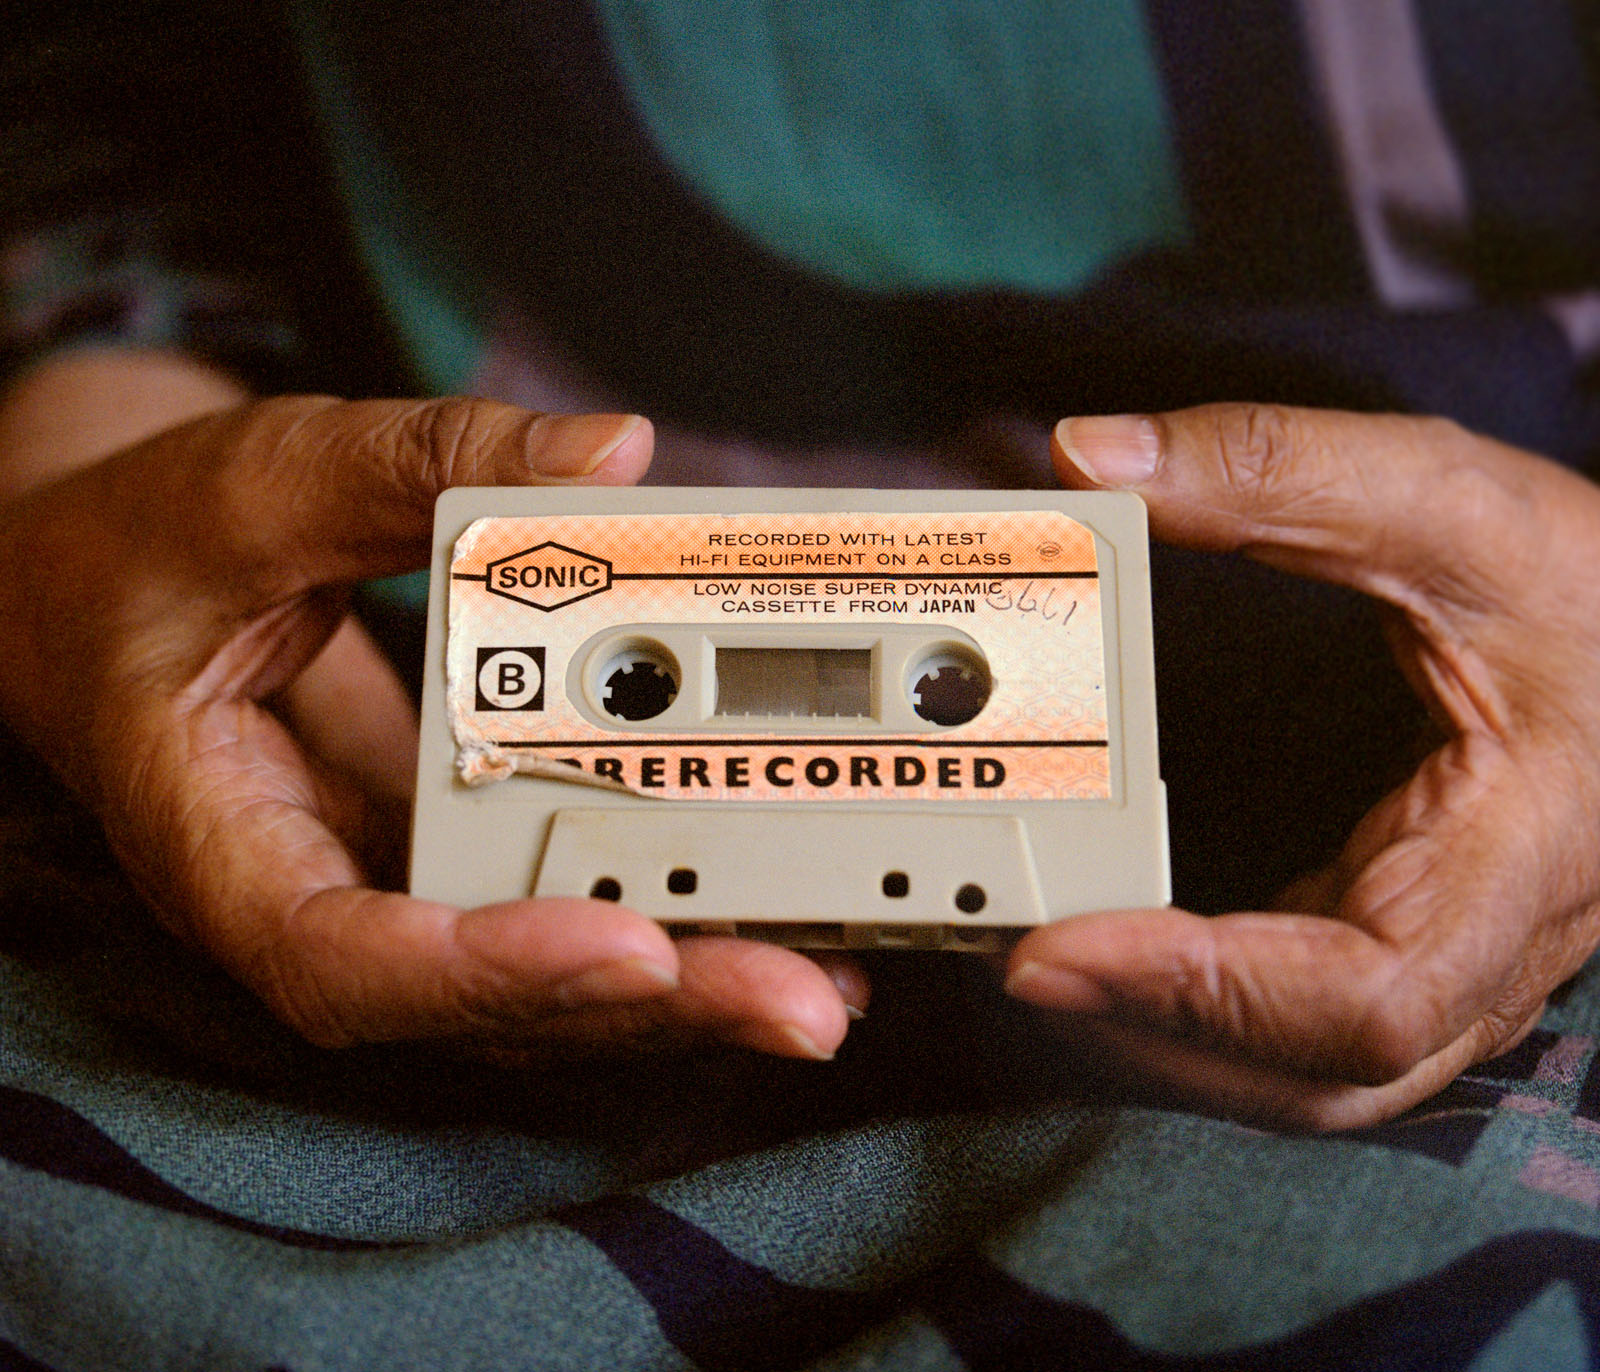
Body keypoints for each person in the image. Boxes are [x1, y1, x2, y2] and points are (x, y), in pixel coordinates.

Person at [7, 3, 1600, 1366]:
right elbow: (93, 96)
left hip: (1486, 777)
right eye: (650, 680)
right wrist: (80, 451)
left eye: (933, 684)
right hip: (348, 726)